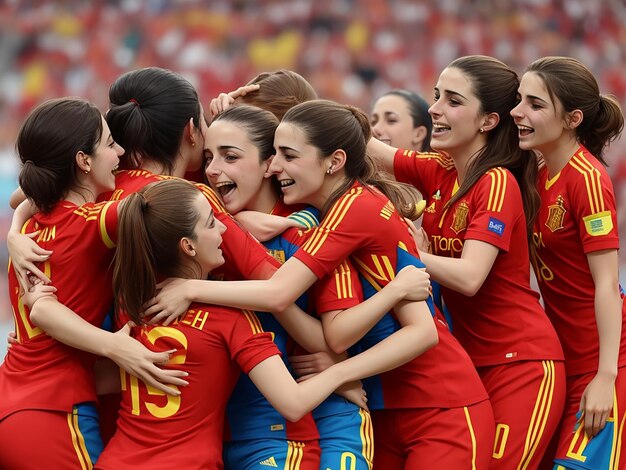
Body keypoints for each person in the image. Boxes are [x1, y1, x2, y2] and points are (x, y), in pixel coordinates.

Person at [147, 99, 496, 469]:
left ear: (334, 161)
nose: (274, 166)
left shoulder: (351, 209)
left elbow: (418, 331)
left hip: (440, 402)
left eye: (287, 155)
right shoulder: (341, 210)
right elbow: (337, 333)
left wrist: (191, 288)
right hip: (389, 405)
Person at [93, 178, 387, 469]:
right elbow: (293, 403)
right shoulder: (230, 317)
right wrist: (340, 372)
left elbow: (105, 380)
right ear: (188, 247)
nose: (224, 228)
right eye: (211, 223)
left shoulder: (128, 305)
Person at [367, 55, 566, 469]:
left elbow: (471, 277)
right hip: (470, 368)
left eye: (453, 101)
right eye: (437, 96)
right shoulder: (440, 168)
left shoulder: (495, 181)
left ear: (488, 121)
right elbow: (360, 144)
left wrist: (410, 254)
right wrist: (280, 102)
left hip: (522, 366)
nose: (435, 108)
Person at [207, 104, 425, 469]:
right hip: (244, 428)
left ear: (268, 165)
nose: (213, 169)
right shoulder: (208, 227)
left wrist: (343, 367)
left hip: (327, 417)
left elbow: (331, 338)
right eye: (207, 157)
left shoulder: (312, 232)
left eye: (230, 156)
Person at [0, 98, 187, 469]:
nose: (119, 152)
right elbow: (180, 203)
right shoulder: (93, 221)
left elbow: (20, 196)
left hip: (16, 400)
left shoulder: (34, 224)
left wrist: (13, 230)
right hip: (56, 412)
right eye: (108, 143)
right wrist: (119, 348)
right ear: (83, 161)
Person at [511, 56, 626, 469]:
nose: (517, 112)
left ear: (573, 118)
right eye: (520, 99)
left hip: (606, 365)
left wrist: (606, 377)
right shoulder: (538, 172)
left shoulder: (588, 179)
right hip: (565, 360)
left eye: (535, 104)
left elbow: (607, 284)